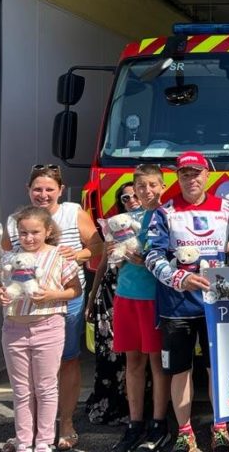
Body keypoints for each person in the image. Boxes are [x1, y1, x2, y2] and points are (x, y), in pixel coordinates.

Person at [144, 152, 229, 452]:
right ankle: (185, 432)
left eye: (196, 173)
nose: (191, 179)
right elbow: (151, 255)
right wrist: (178, 278)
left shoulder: (228, 209)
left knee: (216, 368)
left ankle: (220, 427)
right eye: (185, 174)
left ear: (207, 175)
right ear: (178, 177)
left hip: (216, 303)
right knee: (180, 370)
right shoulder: (165, 212)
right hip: (177, 306)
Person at [0, 206, 82, 452]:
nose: (29, 238)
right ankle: (23, 441)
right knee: (21, 390)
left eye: (35, 232)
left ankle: (43, 441)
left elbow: (75, 290)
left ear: (48, 231)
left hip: (48, 327)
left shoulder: (59, 256)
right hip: (14, 329)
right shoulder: (9, 259)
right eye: (23, 233)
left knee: (46, 387)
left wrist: (52, 295)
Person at [109, 165, 172, 452]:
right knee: (133, 362)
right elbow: (110, 254)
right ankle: (134, 424)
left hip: (154, 298)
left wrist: (146, 259)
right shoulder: (125, 219)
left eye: (152, 185)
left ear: (162, 186)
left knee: (157, 363)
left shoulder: (168, 216)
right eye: (141, 186)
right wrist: (113, 252)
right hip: (126, 296)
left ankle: (159, 423)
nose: (147, 191)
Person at [85, 182, 141, 426]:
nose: (131, 200)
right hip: (109, 296)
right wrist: (91, 297)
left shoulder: (152, 224)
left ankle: (137, 409)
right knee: (109, 354)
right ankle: (109, 406)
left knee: (137, 357)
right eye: (125, 198)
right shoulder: (113, 227)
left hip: (137, 295)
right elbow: (102, 265)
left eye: (135, 195)